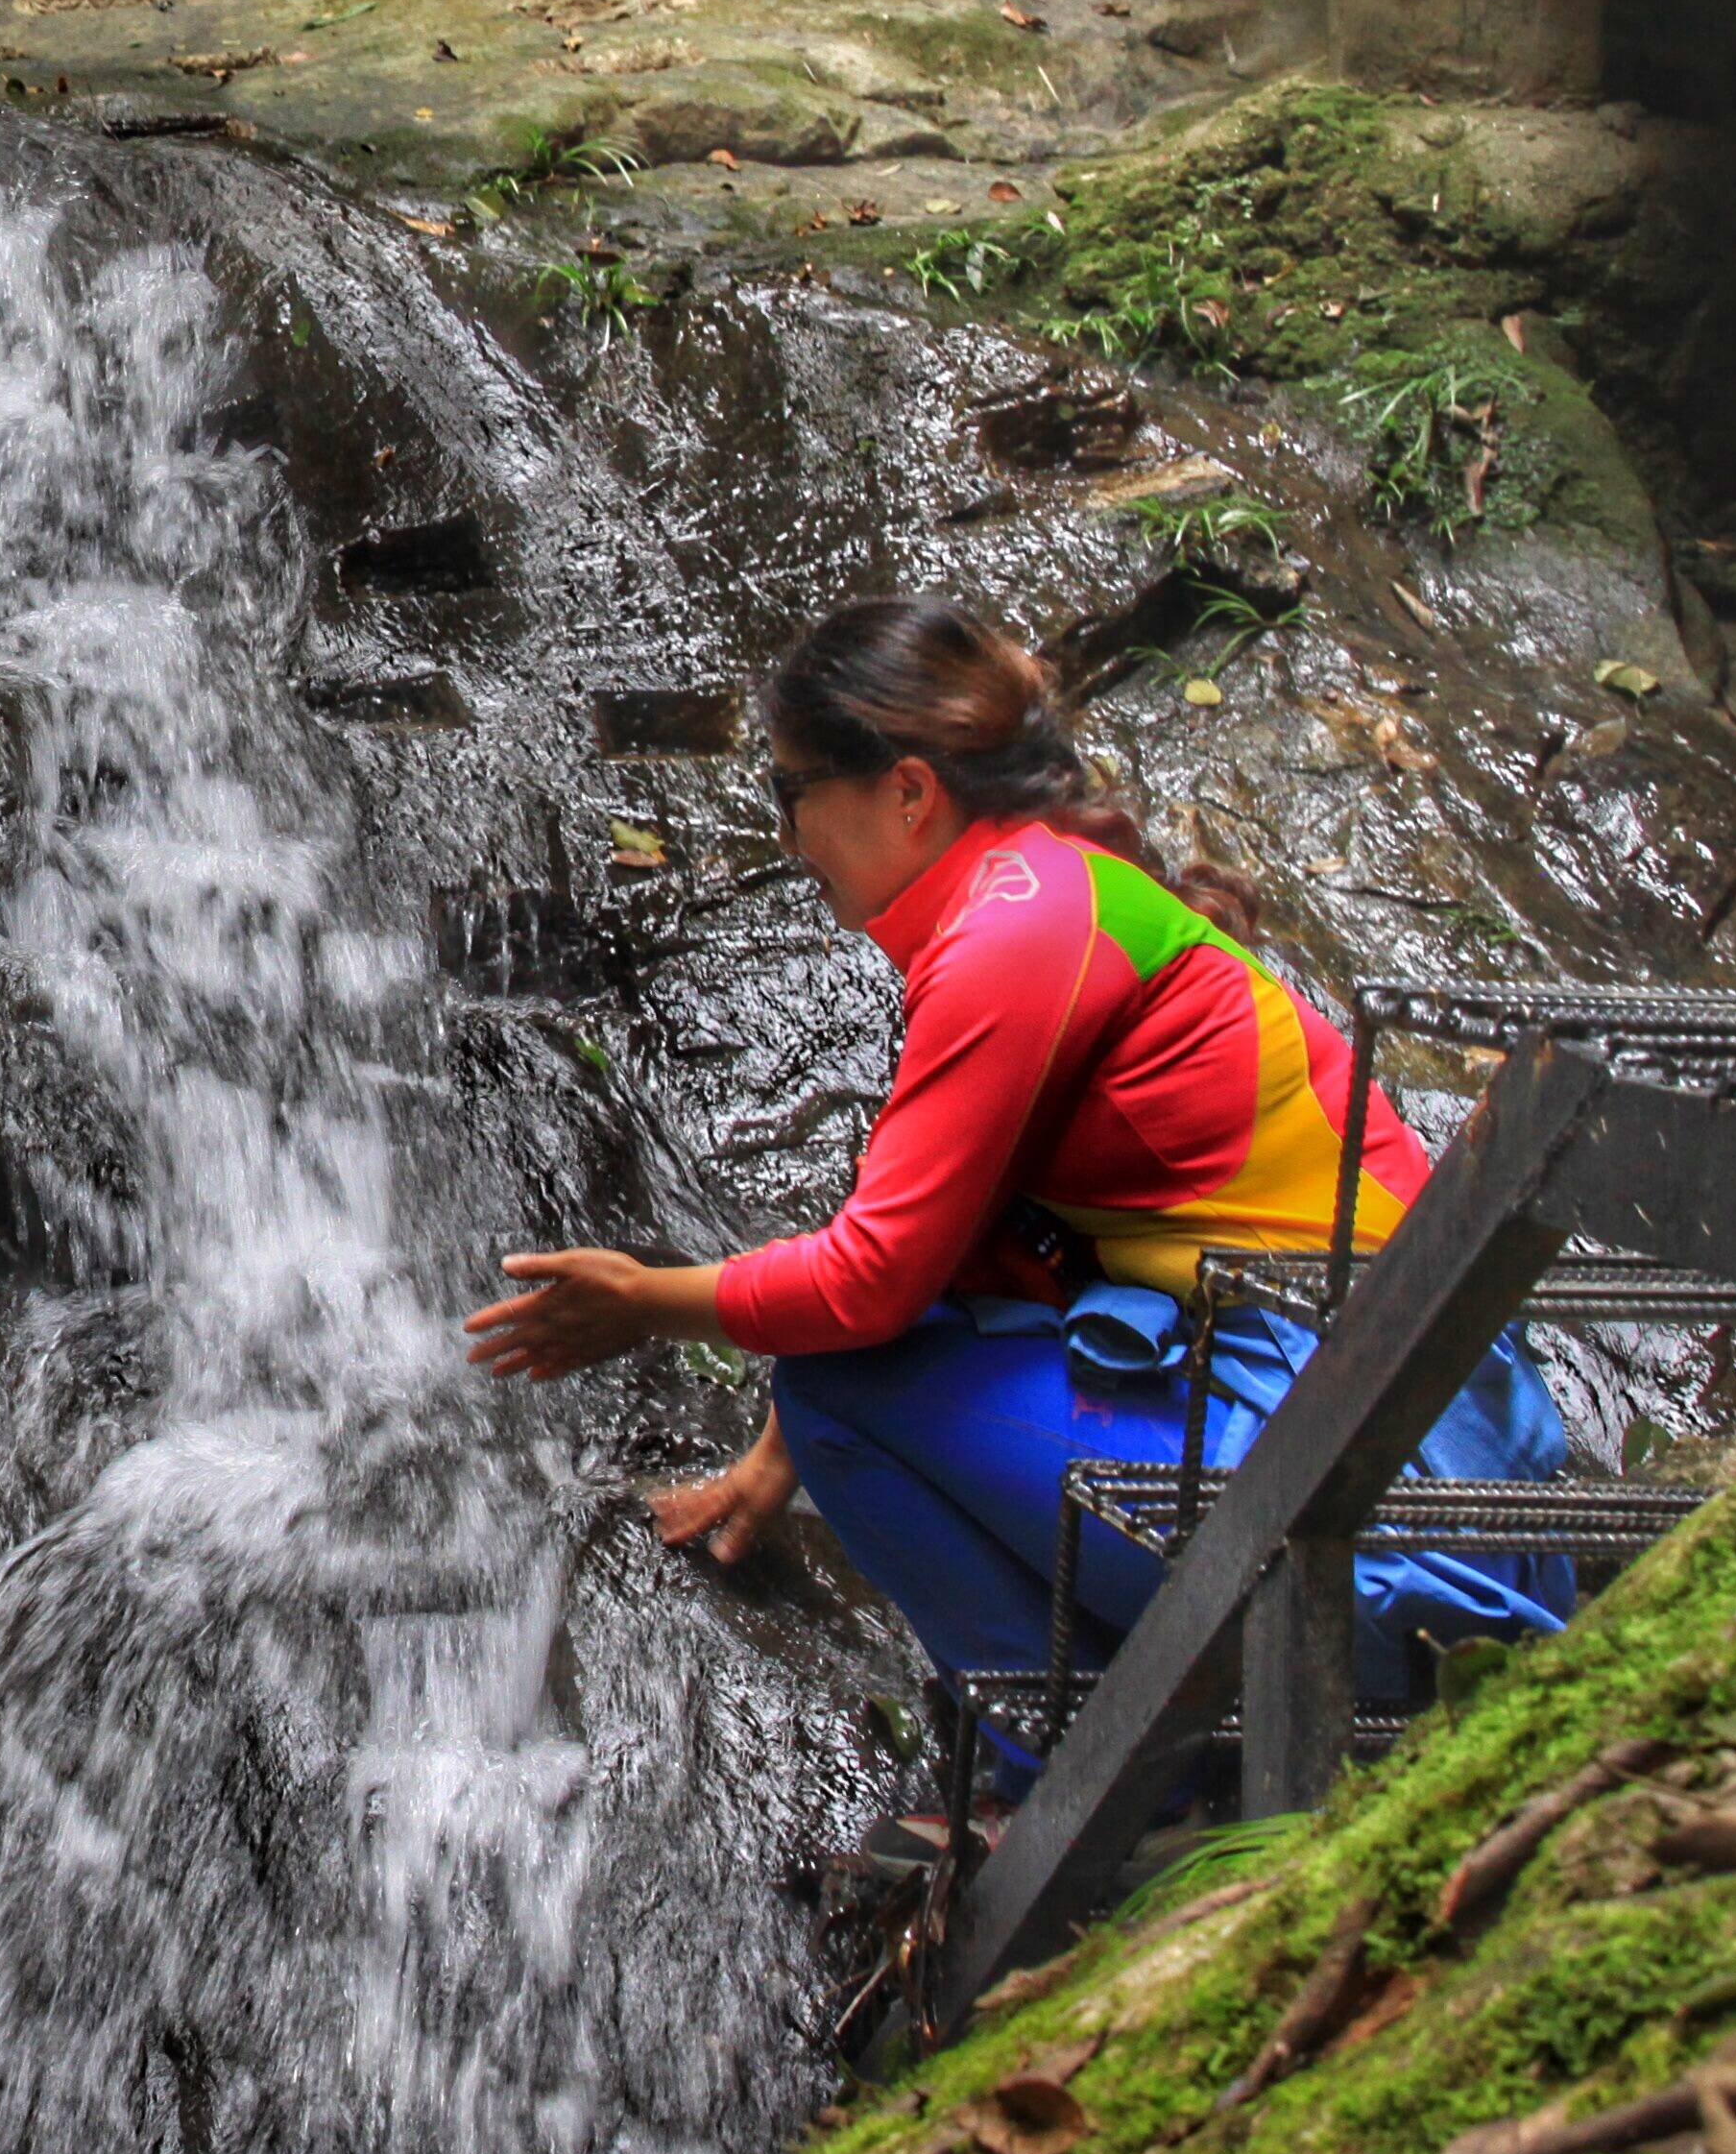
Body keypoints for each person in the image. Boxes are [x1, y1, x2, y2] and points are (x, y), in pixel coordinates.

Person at [460, 596, 1570, 1781]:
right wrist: (768, 1465)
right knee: (844, 1380)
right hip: (1407, 1464)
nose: (788, 838)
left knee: (840, 1379)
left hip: (1388, 1520)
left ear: (907, 792)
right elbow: (958, 1248)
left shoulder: (1013, 933)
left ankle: (1078, 1776)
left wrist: (642, 1299)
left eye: (791, 796)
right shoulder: (1054, 896)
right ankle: (1147, 1747)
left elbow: (875, 1283)